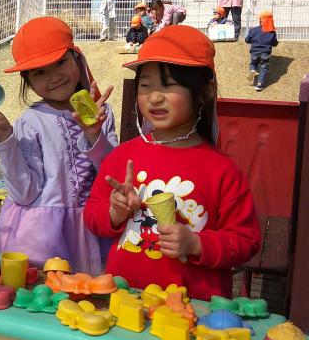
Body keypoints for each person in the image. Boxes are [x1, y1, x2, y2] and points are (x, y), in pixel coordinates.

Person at [84, 25, 261, 301]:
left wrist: (196, 244)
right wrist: (115, 213)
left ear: (205, 91)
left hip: (193, 310)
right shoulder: (122, 157)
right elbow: (92, 218)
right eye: (146, 85)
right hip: (126, 302)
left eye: (169, 85)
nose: (155, 97)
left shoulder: (222, 170)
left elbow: (246, 241)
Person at [0, 16, 118, 274]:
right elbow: (24, 193)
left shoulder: (102, 113)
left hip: (93, 228)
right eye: (40, 72)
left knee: (88, 294)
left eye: (61, 62)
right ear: (29, 81)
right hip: (42, 238)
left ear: (77, 58)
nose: (54, 77)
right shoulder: (31, 121)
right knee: (43, 293)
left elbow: (113, 176)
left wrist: (94, 135)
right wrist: (6, 139)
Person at [245, 11, 278, 92]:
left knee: (253, 62)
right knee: (263, 67)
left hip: (254, 51)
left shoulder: (254, 30)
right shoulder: (272, 32)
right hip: (265, 52)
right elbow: (274, 43)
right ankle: (260, 84)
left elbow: (247, 40)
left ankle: (252, 70)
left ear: (261, 20)